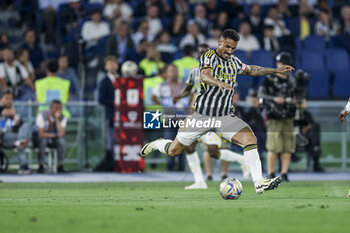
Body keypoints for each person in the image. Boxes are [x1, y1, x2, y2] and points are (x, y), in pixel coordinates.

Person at [141, 29, 294, 194]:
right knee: (174, 151)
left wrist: (276, 70)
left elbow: (252, 70)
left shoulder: (234, 61)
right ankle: (157, 144)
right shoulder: (209, 56)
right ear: (219, 43)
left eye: (233, 48)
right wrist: (218, 83)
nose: (229, 51)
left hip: (224, 116)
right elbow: (205, 76)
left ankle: (258, 182)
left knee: (249, 138)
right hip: (202, 115)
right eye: (227, 46)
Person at [173, 44, 249, 189]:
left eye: (205, 53)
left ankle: (241, 160)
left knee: (213, 151)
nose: (202, 55)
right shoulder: (194, 71)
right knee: (188, 147)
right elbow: (189, 89)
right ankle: (199, 181)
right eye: (200, 52)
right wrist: (180, 96)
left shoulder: (219, 71)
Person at [258, 52, 296, 182]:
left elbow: (299, 96)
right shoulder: (269, 78)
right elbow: (261, 94)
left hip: (289, 115)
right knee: (273, 146)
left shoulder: (292, 80)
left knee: (287, 146)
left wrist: (298, 100)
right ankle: (271, 172)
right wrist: (275, 99)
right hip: (274, 116)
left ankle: (284, 173)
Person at [151, 64, 188, 172]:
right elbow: (152, 96)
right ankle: (170, 167)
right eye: (171, 71)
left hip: (183, 117)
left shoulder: (185, 84)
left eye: (175, 70)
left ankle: (181, 167)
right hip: (170, 117)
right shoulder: (162, 85)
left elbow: (193, 94)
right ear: (167, 73)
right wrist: (162, 105)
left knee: (182, 142)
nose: (173, 73)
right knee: (170, 142)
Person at [95, 56, 119, 171]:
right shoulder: (104, 81)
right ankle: (110, 161)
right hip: (111, 115)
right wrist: (116, 103)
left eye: (114, 63)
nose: (112, 66)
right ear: (105, 67)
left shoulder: (122, 79)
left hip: (124, 116)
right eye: (109, 64)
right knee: (110, 138)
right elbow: (101, 98)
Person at [0, 91, 32, 174]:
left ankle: (23, 166)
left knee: (26, 126)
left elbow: (19, 123)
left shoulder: (15, 113)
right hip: (3, 137)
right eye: (7, 98)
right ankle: (21, 141)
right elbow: (7, 112)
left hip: (13, 137)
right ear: (1, 99)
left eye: (11, 99)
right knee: (21, 141)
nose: (9, 101)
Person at [36, 100, 67, 173]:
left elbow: (62, 133)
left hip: (54, 138)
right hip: (42, 137)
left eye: (60, 108)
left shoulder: (63, 117)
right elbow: (41, 133)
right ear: (51, 108)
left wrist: (57, 119)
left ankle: (60, 164)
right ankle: (41, 164)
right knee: (43, 140)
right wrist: (54, 135)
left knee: (62, 141)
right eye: (56, 108)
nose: (58, 111)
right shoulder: (42, 115)